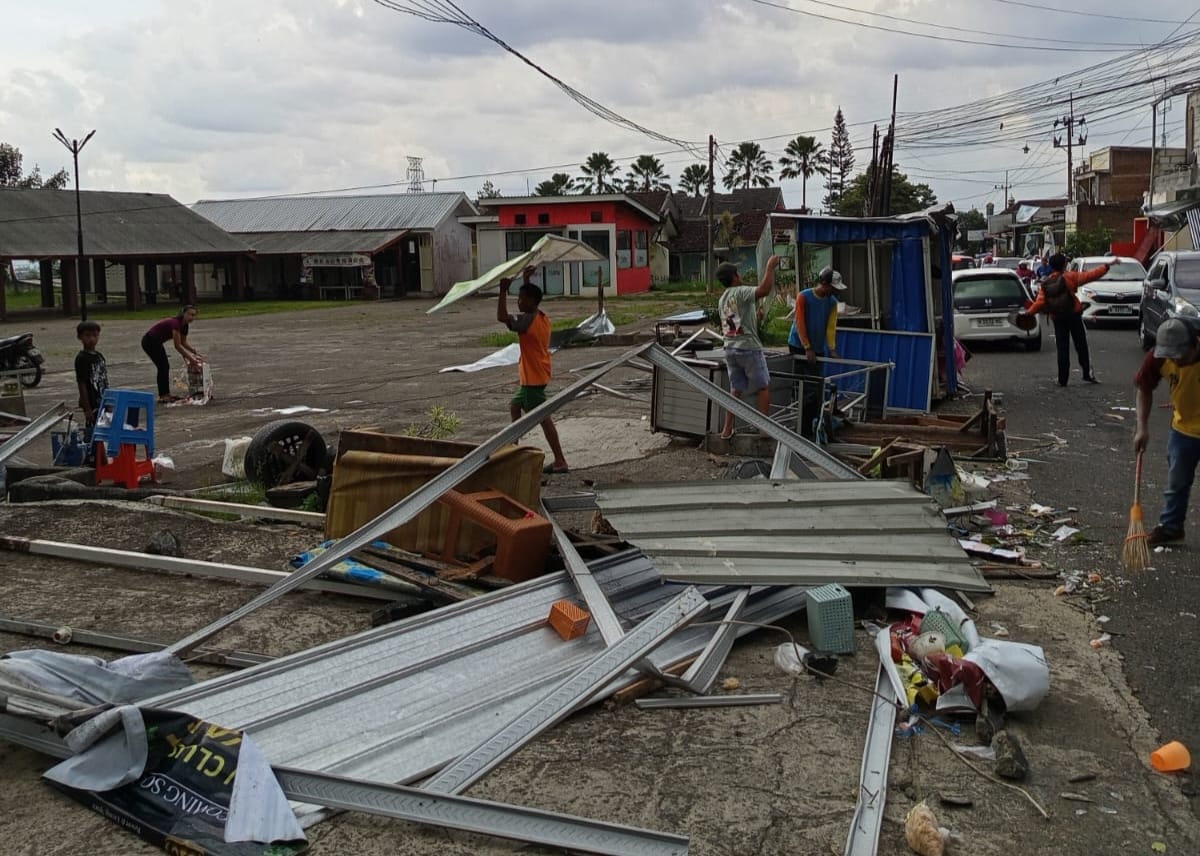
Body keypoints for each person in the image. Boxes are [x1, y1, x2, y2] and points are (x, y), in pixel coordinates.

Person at [1133, 317, 1200, 546]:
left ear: (1195, 344)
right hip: (1184, 429)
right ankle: (1171, 527)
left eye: (1180, 355)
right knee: (1176, 483)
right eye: (1170, 356)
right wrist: (1142, 427)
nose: (1175, 361)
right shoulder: (1157, 358)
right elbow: (1144, 388)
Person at [497, 265, 569, 474]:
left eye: (521, 298)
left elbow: (502, 317)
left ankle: (559, 460)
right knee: (515, 406)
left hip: (532, 379)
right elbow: (530, 302)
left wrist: (502, 291)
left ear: (531, 301)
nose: (518, 301)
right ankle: (514, 450)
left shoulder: (527, 320)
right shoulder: (540, 316)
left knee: (543, 420)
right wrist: (526, 281)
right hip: (538, 374)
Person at [1023, 252, 1116, 386]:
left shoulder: (1047, 282)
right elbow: (1090, 275)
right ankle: (1086, 374)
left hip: (1057, 318)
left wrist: (1028, 313)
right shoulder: (1070, 277)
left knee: (1062, 348)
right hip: (1074, 315)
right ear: (1064, 265)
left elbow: (1040, 303)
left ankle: (1062, 380)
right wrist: (1106, 267)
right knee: (1081, 345)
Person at [716, 255, 781, 440]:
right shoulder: (741, 291)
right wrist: (770, 267)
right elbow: (764, 290)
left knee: (735, 389)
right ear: (735, 276)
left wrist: (756, 318)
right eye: (738, 272)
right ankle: (764, 429)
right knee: (764, 386)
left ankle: (727, 429)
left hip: (730, 348)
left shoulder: (724, 299)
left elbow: (735, 324)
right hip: (749, 348)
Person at [141, 305, 201, 404]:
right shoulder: (176, 323)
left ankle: (165, 394)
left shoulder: (184, 326)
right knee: (163, 366)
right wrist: (191, 360)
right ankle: (163, 395)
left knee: (164, 366)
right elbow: (177, 346)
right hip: (149, 341)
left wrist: (194, 352)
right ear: (183, 313)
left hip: (157, 342)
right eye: (190, 314)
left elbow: (183, 343)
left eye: (194, 315)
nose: (192, 318)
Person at [788, 266, 845, 364]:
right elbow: (800, 323)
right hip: (798, 345)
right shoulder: (803, 297)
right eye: (833, 288)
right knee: (801, 377)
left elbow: (831, 327)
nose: (835, 291)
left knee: (816, 376)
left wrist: (832, 349)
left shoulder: (832, 302)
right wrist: (807, 347)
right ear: (824, 284)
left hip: (817, 346)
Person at [74, 320, 108, 466]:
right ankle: (92, 460)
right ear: (80, 337)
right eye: (87, 336)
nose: (92, 339)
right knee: (92, 431)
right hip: (91, 402)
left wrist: (109, 401)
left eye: (95, 335)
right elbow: (82, 383)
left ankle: (103, 459)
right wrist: (87, 407)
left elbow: (104, 380)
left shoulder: (99, 356)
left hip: (103, 400)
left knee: (103, 431)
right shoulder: (81, 359)